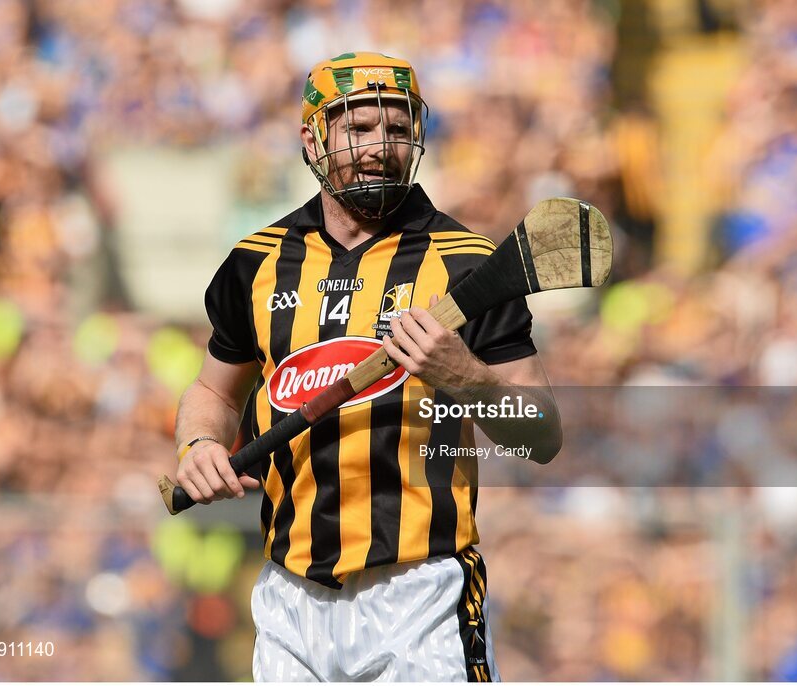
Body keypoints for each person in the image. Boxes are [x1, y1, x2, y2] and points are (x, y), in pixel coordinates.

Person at [173, 52, 561, 682]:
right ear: (313, 139)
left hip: (422, 594)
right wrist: (197, 443)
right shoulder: (256, 262)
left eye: (397, 127)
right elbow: (212, 394)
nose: (380, 145)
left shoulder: (467, 264)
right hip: (289, 598)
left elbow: (542, 432)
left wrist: (466, 377)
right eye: (357, 128)